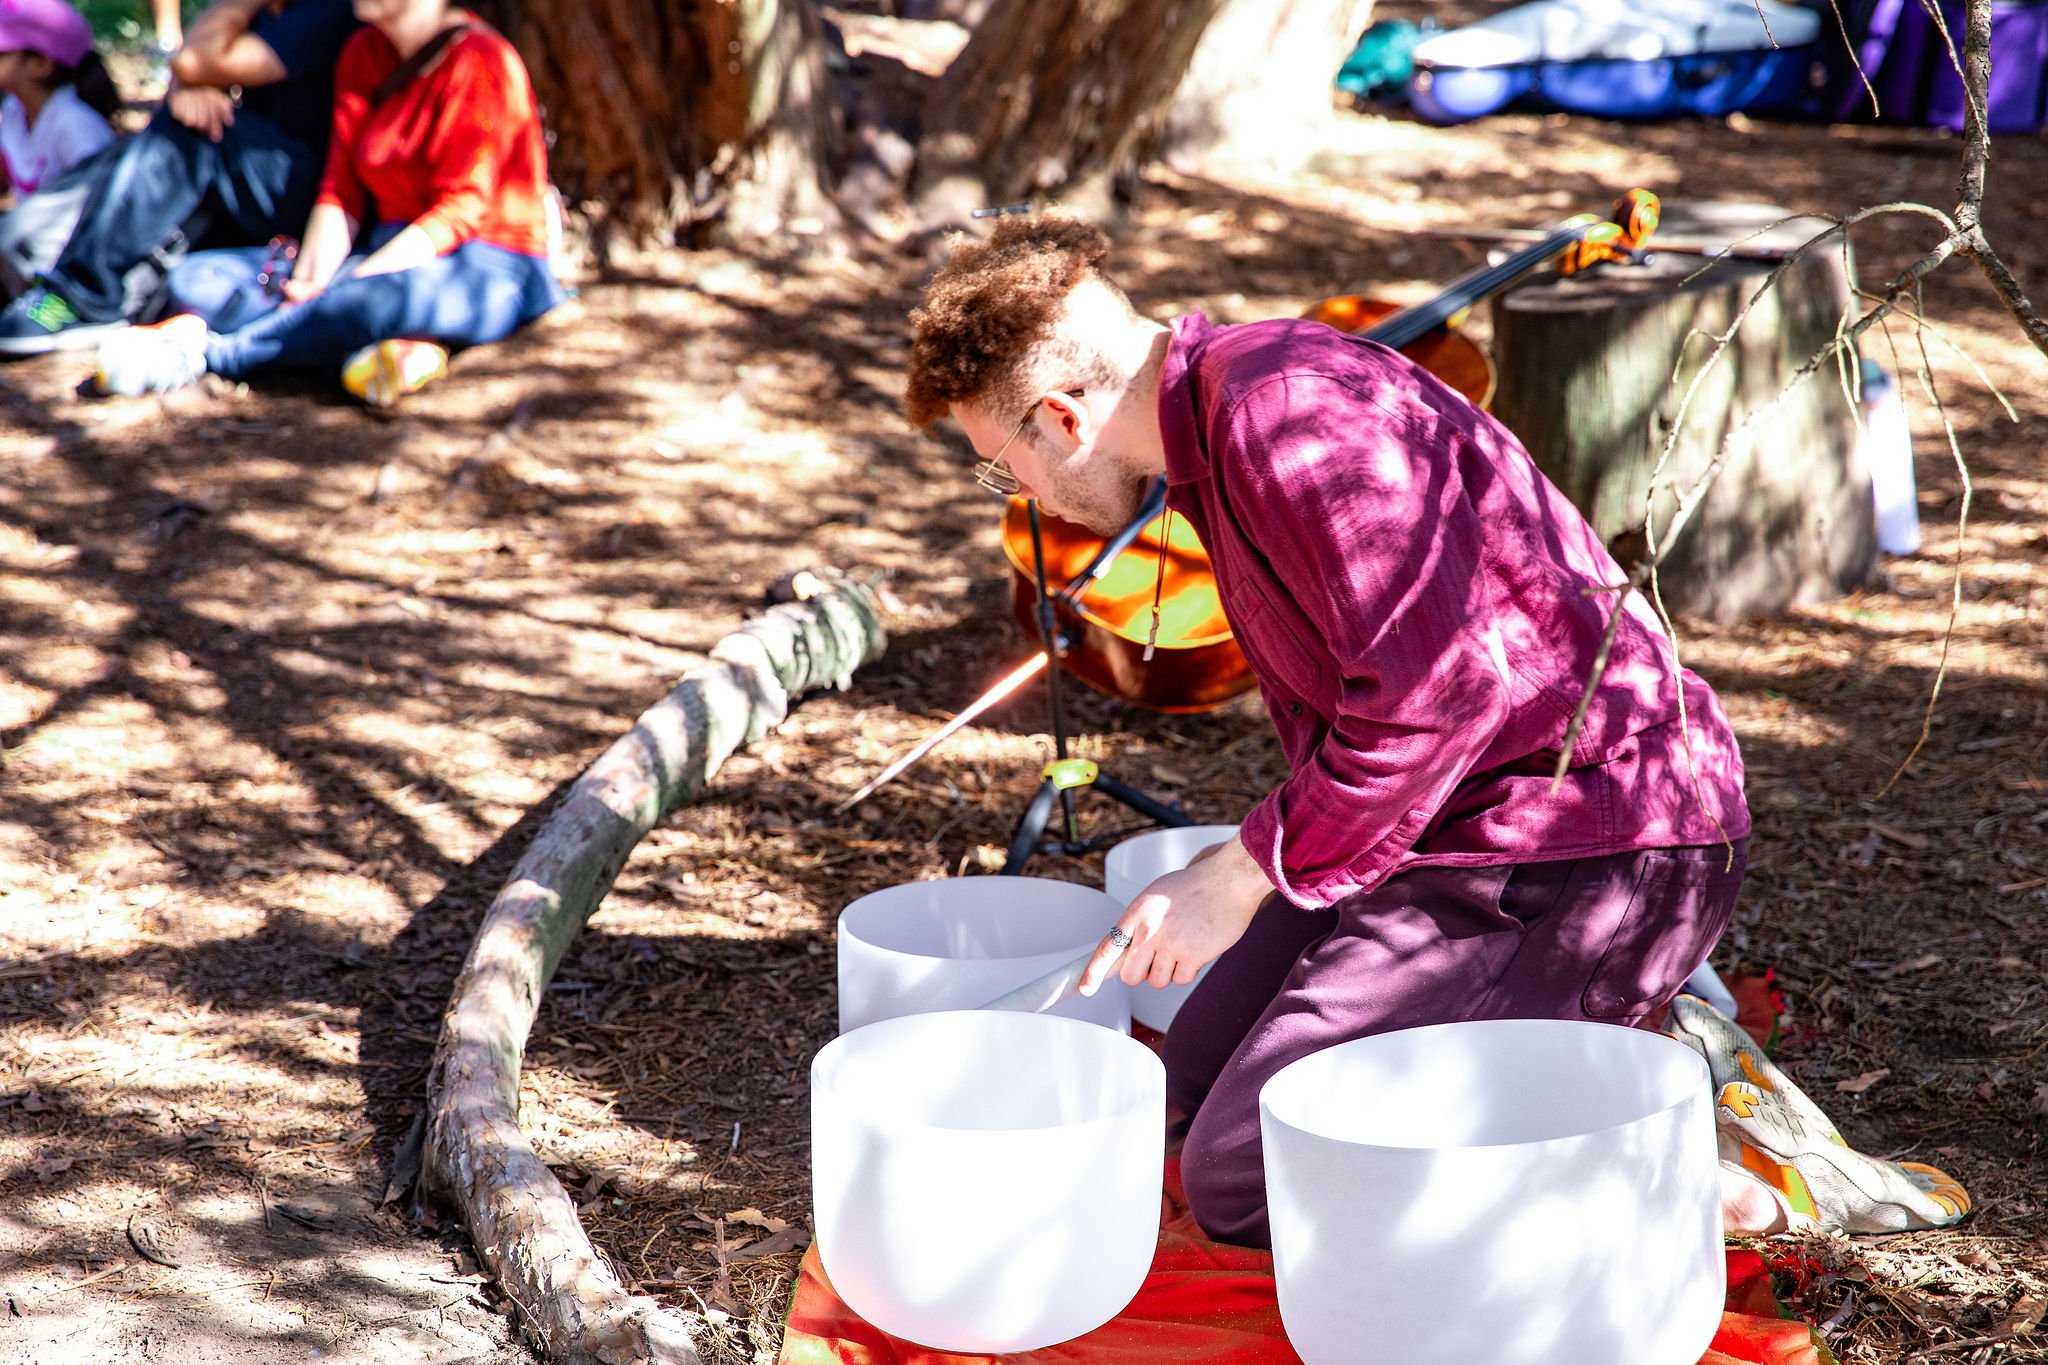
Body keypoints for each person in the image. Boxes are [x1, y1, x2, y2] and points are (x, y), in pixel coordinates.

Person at [902, 216, 1969, 1245]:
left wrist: (1236, 874)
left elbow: (1435, 697)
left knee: (1245, 1177)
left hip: (1583, 840)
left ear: (1061, 415)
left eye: (1004, 463)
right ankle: (1581, 1039)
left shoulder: (1288, 417)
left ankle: (1679, 1141)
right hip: (1448, 826)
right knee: (1181, 1091)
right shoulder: (1221, 406)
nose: (1019, 492)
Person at [92, 0, 563, 406]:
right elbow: (342, 190)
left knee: (368, 300)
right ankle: (382, 342)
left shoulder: (481, 59)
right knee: (200, 279)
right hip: (382, 255)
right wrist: (311, 282)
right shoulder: (364, 52)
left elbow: (460, 211)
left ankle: (212, 356)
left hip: (488, 265)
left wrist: (352, 285)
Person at [0, 0, 358, 353]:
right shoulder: (264, 13)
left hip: (318, 205)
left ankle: (86, 297)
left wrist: (196, 75)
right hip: (258, 184)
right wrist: (190, 88)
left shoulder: (325, 10)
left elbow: (192, 61)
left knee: (190, 131)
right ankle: (78, 285)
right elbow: (185, 70)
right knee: (180, 123)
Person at [0, 0, 120, 296]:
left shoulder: (74, 123)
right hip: (26, 245)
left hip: (68, 262)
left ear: (41, 64)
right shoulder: (13, 113)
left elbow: (105, 209)